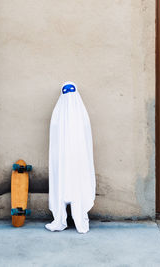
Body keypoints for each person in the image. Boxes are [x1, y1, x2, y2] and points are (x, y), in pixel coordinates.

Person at [45, 82, 96, 234]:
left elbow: (86, 138)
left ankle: (79, 218)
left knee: (77, 185)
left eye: (71, 91)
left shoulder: (81, 115)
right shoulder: (57, 115)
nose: (69, 95)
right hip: (62, 159)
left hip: (77, 159)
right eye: (66, 91)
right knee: (62, 184)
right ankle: (60, 218)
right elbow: (54, 139)